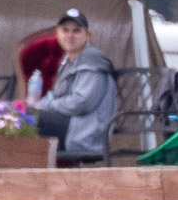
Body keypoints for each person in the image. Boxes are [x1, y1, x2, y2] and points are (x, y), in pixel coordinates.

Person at [30, 9, 117, 154]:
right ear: (57, 34)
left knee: (25, 119)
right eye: (65, 30)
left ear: (88, 36)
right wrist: (38, 105)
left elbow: (82, 102)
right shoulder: (68, 61)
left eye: (76, 31)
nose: (70, 35)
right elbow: (56, 95)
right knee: (16, 115)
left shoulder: (91, 60)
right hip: (71, 123)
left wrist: (46, 106)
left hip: (85, 131)